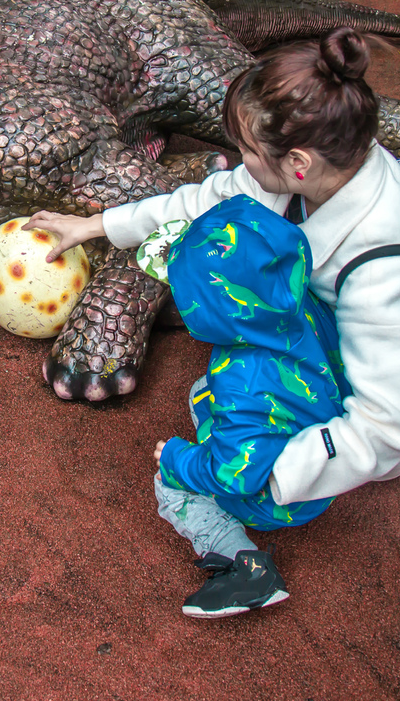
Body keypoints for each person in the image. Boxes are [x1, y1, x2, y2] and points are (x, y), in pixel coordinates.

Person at [24, 27, 400, 608]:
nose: (240, 163)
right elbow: (213, 196)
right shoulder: (322, 165)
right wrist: (97, 226)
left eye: (249, 151)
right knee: (227, 382)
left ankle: (248, 534)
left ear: (296, 163)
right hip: (341, 314)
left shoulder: (386, 276)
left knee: (247, 402)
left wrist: (266, 473)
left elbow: (389, 433)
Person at [146, 193, 350, 618]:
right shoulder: (302, 302)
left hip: (287, 495)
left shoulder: (241, 377)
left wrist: (178, 458)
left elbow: (233, 474)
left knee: (171, 484)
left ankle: (246, 565)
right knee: (201, 391)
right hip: (334, 442)